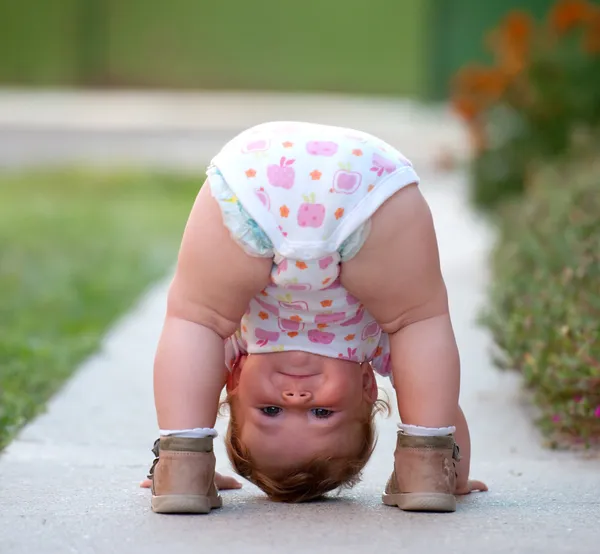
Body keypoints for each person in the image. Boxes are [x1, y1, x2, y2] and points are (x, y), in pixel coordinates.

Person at [147, 121, 487, 514]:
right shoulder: (376, 348)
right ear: (366, 387)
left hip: (256, 184)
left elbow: (187, 367)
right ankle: (427, 466)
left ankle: (183, 464)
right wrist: (456, 474)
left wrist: (182, 440)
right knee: (415, 321)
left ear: (235, 378)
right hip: (365, 188)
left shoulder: (236, 346)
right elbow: (437, 397)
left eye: (270, 411)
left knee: (199, 320)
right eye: (320, 413)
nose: (296, 397)